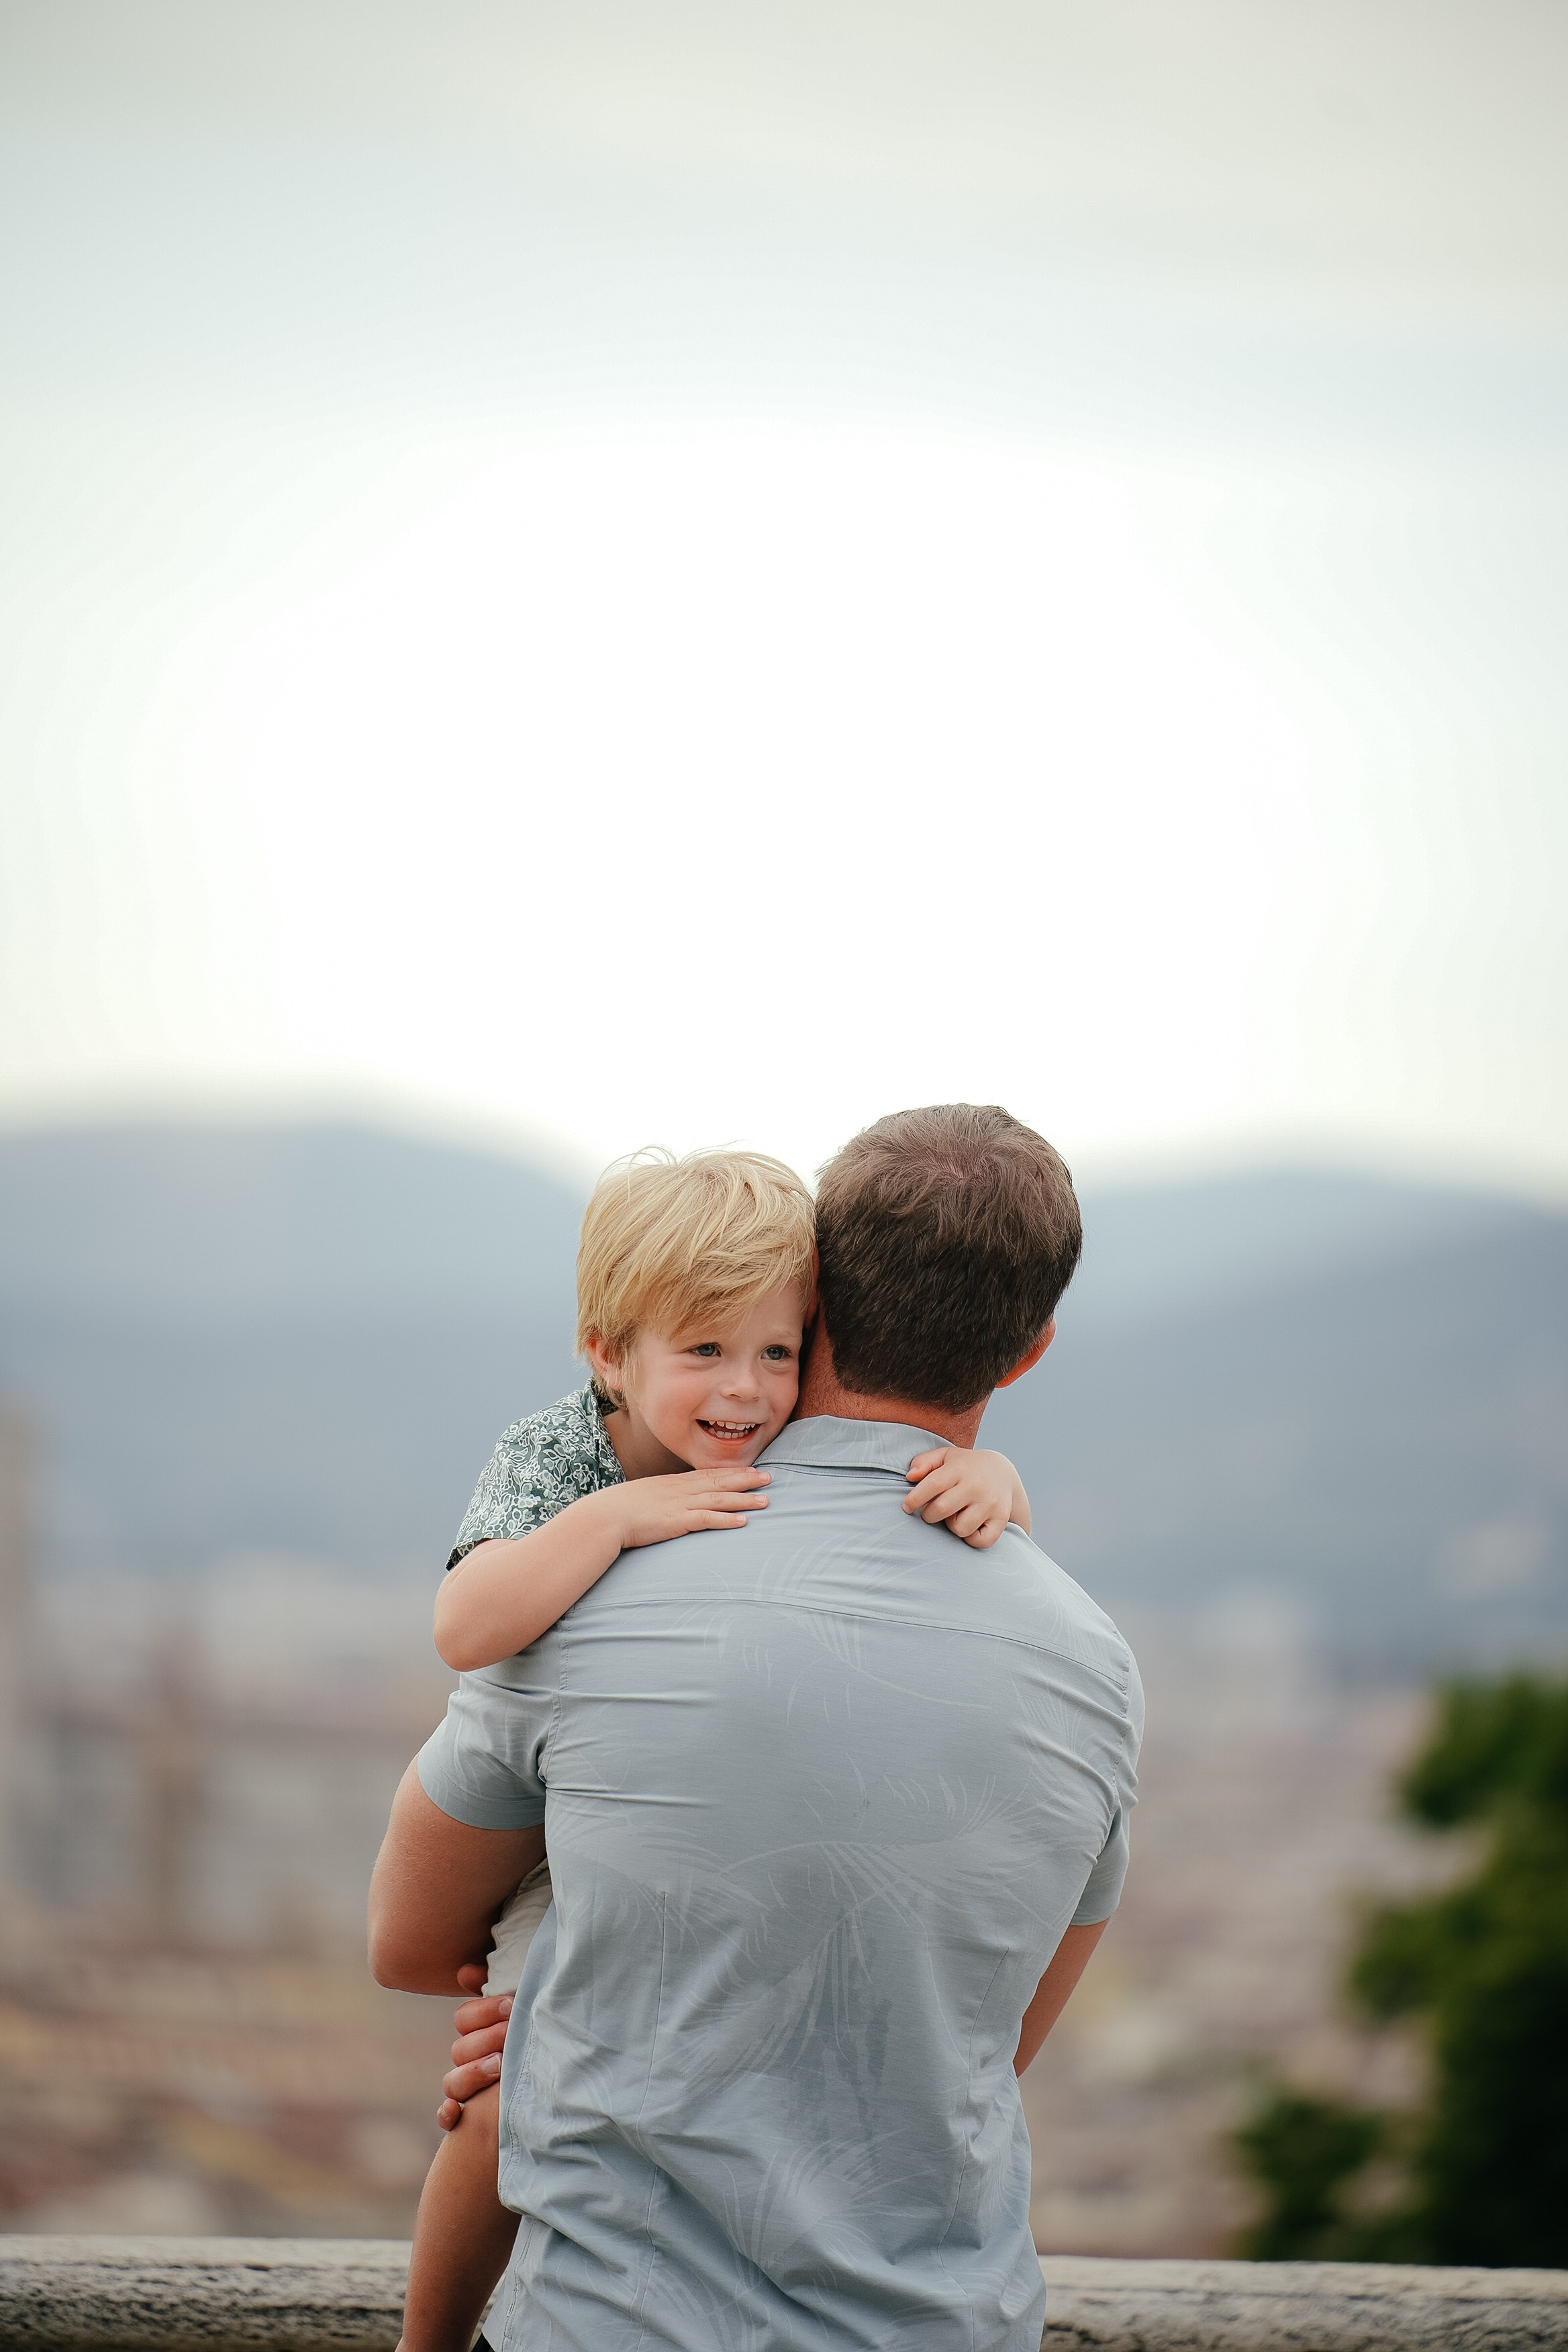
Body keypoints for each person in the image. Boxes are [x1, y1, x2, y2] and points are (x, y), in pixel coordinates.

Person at [371, 1104, 1141, 2352]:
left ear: (818, 1306)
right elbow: (987, 2049)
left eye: (769, 1350)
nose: (742, 1384)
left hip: (606, 2322)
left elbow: (409, 1944)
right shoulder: (1093, 1663)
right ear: (1030, 1350)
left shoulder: (606, 1606)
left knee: (494, 2109)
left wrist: (568, 2014)